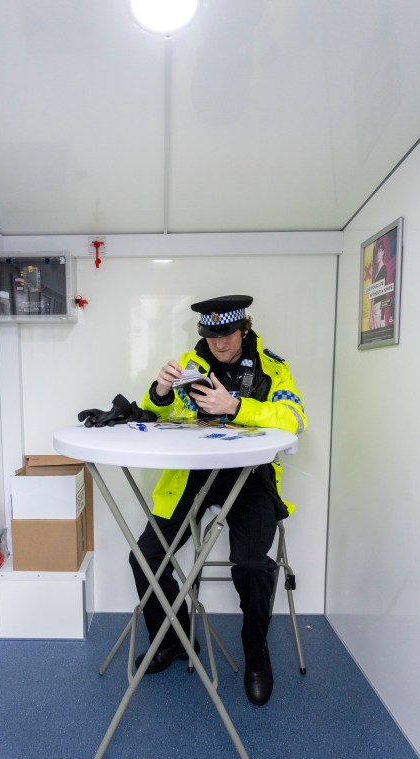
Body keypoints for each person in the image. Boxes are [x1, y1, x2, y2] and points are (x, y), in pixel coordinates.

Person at [128, 295, 307, 706]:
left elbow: (295, 420)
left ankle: (255, 652)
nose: (219, 343)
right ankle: (173, 640)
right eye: (211, 335)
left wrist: (237, 406)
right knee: (145, 557)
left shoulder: (273, 368)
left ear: (243, 328)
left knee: (251, 565)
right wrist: (158, 390)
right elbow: (159, 411)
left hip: (250, 478)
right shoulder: (192, 363)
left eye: (226, 333)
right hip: (193, 472)